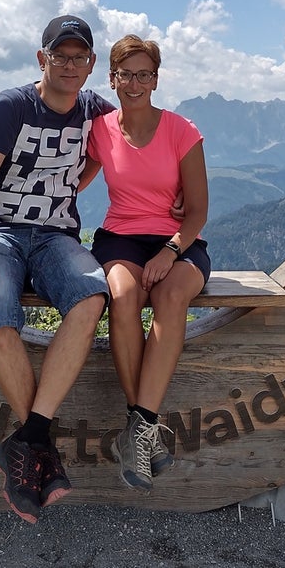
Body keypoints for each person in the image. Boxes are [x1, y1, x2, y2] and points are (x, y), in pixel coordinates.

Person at [0, 15, 113, 524]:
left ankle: (28, 444)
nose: (69, 65)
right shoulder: (13, 106)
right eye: (59, 55)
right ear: (42, 58)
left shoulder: (96, 111)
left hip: (54, 237)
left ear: (91, 63)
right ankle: (41, 449)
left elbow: (131, 148)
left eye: (79, 57)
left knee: (91, 297)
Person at [83, 34, 210, 492]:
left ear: (156, 80)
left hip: (178, 241)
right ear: (112, 78)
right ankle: (145, 430)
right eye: (126, 74)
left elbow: (197, 211)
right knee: (122, 296)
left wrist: (170, 250)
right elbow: (71, 179)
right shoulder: (100, 130)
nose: (135, 83)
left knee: (172, 296)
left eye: (144, 74)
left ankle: (138, 426)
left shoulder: (181, 131)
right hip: (119, 238)